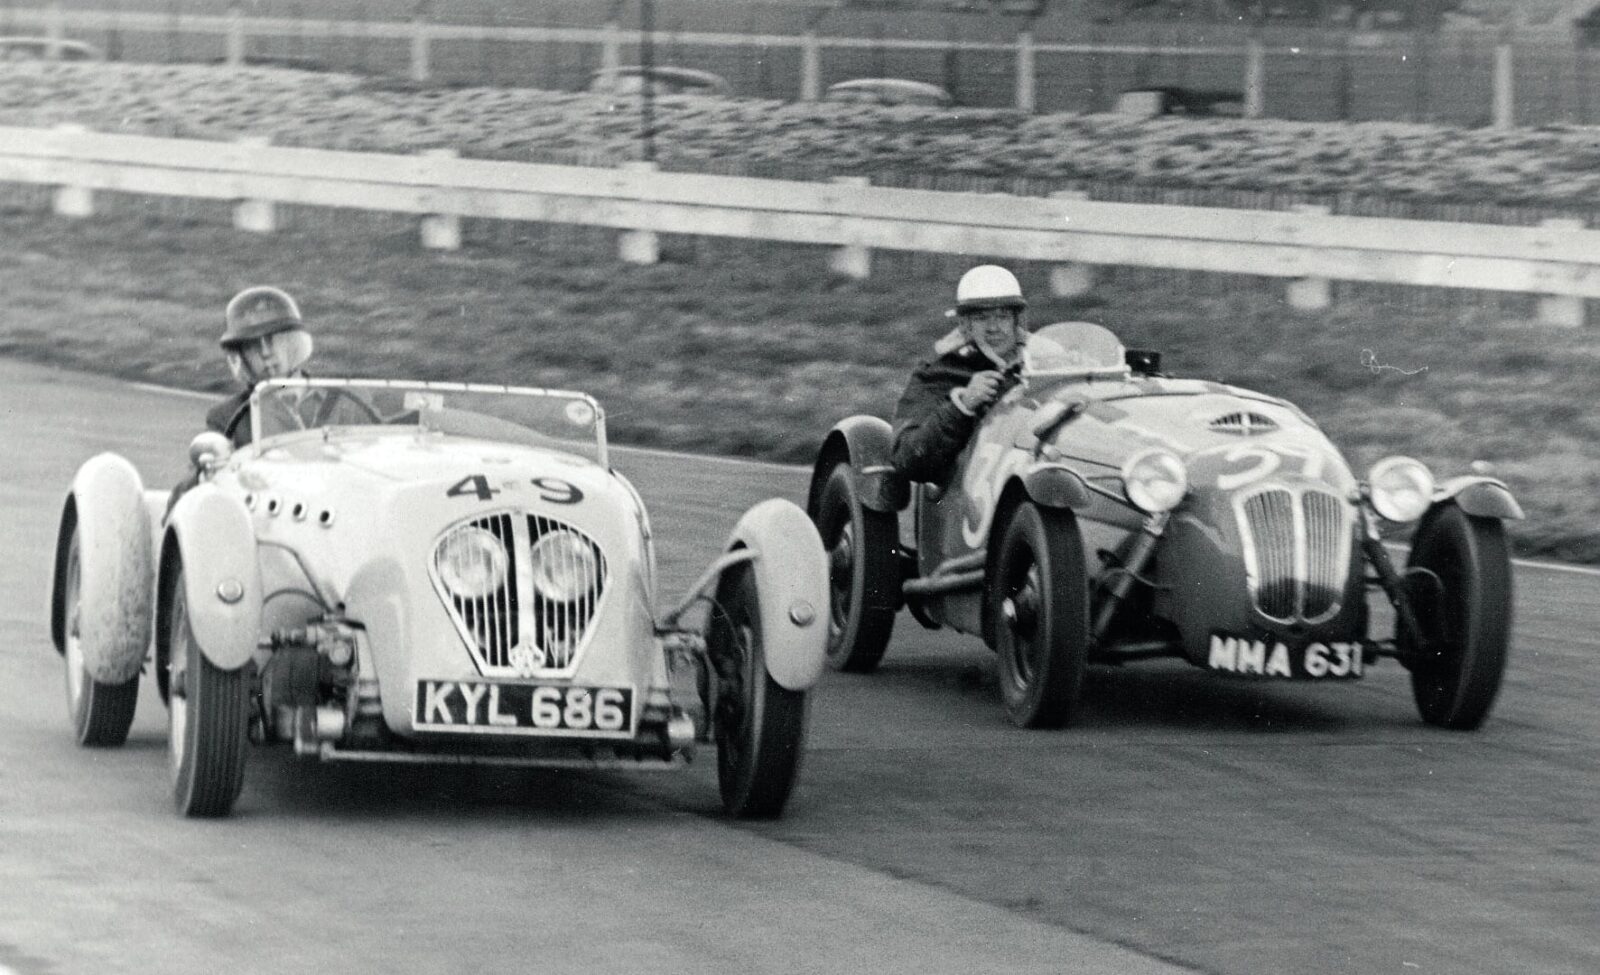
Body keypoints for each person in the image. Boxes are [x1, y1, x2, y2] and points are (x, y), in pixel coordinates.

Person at [889, 264, 1028, 483]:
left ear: (1015, 321)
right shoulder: (941, 369)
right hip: (966, 491)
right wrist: (962, 405)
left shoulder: (1042, 358)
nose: (994, 327)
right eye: (982, 318)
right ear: (965, 324)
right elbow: (907, 459)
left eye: (1002, 316)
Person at [208, 285, 318, 447]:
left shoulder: (342, 400)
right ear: (240, 356)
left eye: (273, 340)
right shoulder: (227, 416)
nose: (265, 352)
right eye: (252, 346)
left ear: (294, 342)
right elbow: (210, 468)